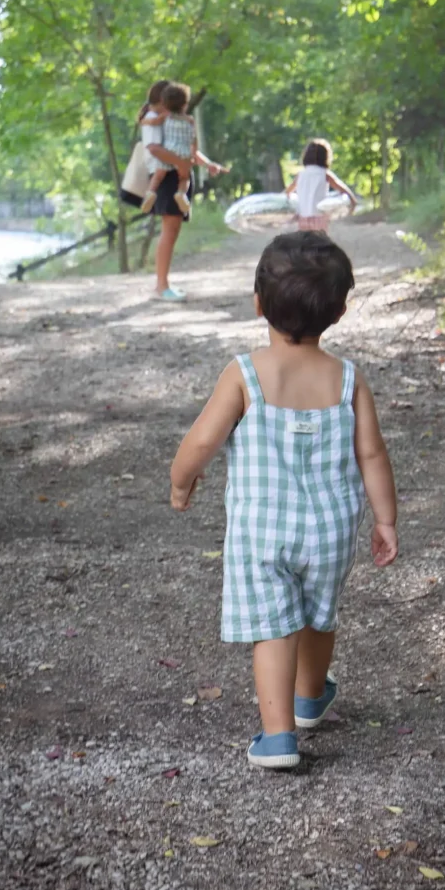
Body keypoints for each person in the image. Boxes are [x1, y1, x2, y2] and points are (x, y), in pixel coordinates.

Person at [169, 231, 398, 770]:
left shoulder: (245, 374)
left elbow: (202, 441)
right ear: (339, 311)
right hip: (330, 529)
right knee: (319, 614)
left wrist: (181, 482)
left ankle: (278, 738)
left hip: (262, 532)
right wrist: (385, 519)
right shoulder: (347, 379)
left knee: (274, 627)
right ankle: (310, 699)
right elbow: (373, 454)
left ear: (257, 303)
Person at [120, 79, 229, 303]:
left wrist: (206, 164)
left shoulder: (172, 119)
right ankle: (161, 285)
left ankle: (164, 282)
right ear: (162, 101)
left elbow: (187, 147)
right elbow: (155, 149)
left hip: (175, 172)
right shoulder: (153, 119)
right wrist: (182, 164)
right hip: (167, 175)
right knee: (169, 230)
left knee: (173, 229)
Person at [140, 82, 197, 217]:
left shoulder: (165, 116)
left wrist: (144, 121)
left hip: (168, 150)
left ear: (165, 103)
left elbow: (153, 122)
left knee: (158, 176)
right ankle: (181, 193)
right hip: (183, 154)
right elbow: (194, 140)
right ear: (185, 105)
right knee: (184, 178)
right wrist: (192, 155)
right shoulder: (189, 120)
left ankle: (150, 193)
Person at [285, 138, 356, 232]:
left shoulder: (300, 175)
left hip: (303, 217)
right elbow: (342, 189)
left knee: (306, 241)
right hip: (319, 216)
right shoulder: (324, 174)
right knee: (320, 242)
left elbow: (288, 192)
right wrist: (352, 201)